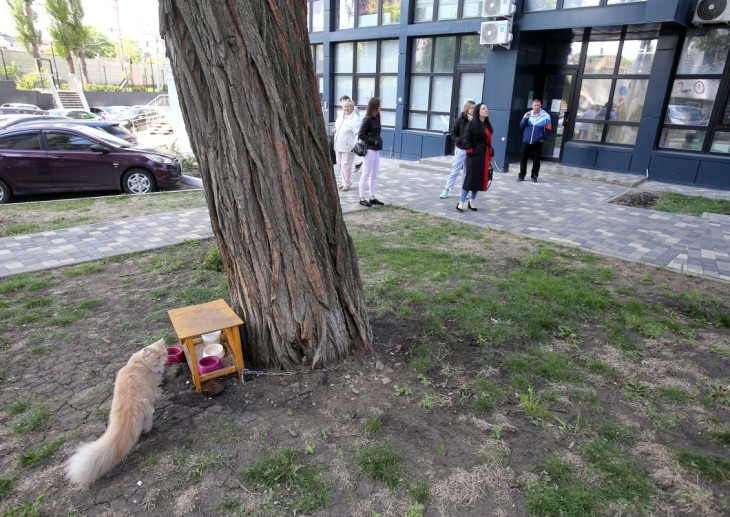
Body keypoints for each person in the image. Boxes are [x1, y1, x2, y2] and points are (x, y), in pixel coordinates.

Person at [457, 103, 493, 212]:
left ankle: (472, 201)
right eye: (483, 108)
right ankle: (461, 202)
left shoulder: (486, 125)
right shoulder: (472, 124)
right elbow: (466, 139)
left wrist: (489, 155)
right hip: (474, 155)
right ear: (478, 111)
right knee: (470, 178)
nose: (486, 110)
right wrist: (470, 151)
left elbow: (488, 141)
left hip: (484, 155)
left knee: (479, 179)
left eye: (486, 108)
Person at [440, 100, 475, 199]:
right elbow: (452, 133)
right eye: (472, 108)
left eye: (475, 108)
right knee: (455, 170)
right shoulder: (460, 120)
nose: (474, 110)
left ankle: (464, 192)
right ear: (467, 108)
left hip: (471, 150)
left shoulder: (476, 121)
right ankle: (446, 190)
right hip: (461, 149)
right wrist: (460, 141)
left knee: (467, 173)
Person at [357, 97, 384, 207]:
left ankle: (372, 197)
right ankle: (361, 198)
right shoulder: (367, 119)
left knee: (374, 175)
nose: (381, 107)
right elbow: (361, 135)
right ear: (375, 106)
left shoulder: (377, 117)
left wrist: (377, 143)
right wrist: (374, 141)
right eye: (379, 105)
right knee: (365, 174)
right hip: (369, 150)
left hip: (376, 150)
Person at [518, 98, 552, 183]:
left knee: (536, 160)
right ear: (532, 105)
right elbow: (522, 126)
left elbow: (548, 129)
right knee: (523, 159)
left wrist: (542, 138)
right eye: (535, 105)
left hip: (538, 142)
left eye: (538, 105)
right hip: (526, 140)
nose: (536, 107)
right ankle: (521, 175)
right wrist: (526, 118)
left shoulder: (546, 116)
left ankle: (534, 176)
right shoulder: (527, 114)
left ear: (541, 106)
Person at [332, 98, 361, 190]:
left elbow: (357, 134)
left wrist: (354, 146)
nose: (346, 108)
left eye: (348, 106)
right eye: (344, 106)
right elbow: (336, 126)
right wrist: (334, 130)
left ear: (352, 107)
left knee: (346, 165)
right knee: (340, 164)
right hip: (338, 145)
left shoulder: (355, 119)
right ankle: (345, 181)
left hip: (349, 147)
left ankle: (346, 184)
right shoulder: (340, 116)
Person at [339, 95, 363, 172]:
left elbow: (355, 123)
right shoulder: (344, 111)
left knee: (352, 154)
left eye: (342, 101)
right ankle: (358, 163)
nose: (342, 104)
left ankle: (358, 163)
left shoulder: (354, 109)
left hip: (352, 134)